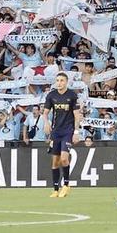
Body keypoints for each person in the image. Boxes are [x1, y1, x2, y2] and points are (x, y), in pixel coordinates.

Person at [44, 70, 80, 198]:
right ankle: (55, 189)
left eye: (62, 81)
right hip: (56, 132)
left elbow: (77, 115)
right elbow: (45, 112)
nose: (59, 83)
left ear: (66, 82)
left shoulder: (72, 95)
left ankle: (66, 185)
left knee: (64, 158)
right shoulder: (51, 95)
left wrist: (76, 131)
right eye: (57, 80)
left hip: (68, 131)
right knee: (55, 161)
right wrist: (46, 123)